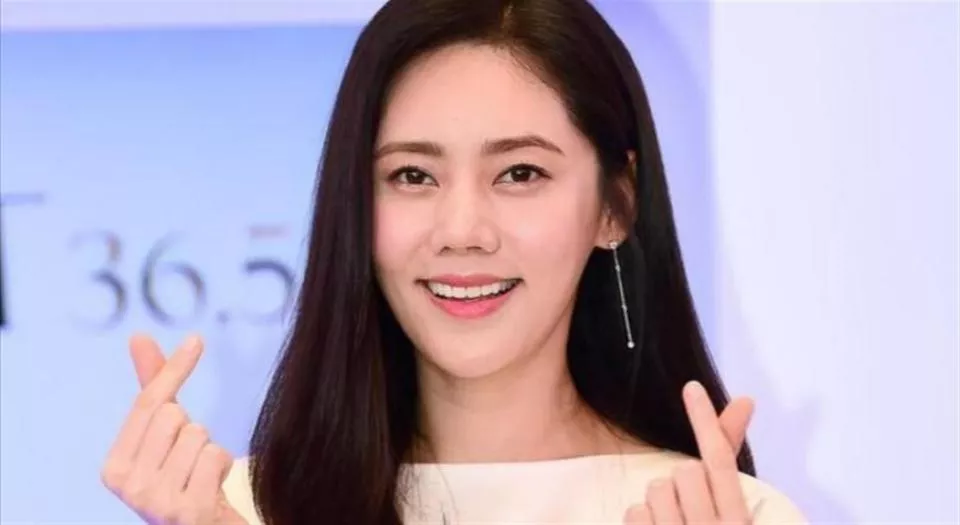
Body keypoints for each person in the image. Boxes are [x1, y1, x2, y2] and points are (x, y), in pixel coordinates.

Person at [100, 0, 807, 523]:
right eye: (412, 175)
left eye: (520, 173)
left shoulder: (726, 515)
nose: (462, 230)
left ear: (614, 206)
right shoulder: (236, 509)